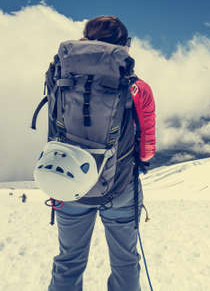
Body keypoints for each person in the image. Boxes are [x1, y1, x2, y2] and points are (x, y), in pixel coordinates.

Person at [47, 15, 156, 291]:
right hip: (119, 186)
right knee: (125, 262)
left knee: (68, 260)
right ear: (124, 46)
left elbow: (52, 124)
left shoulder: (59, 75)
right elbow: (146, 150)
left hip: (68, 181)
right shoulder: (137, 87)